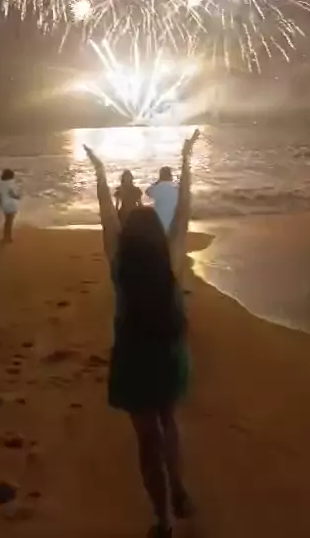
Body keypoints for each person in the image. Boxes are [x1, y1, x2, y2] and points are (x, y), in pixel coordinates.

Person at [84, 128, 200, 538]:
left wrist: (99, 171)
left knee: (146, 439)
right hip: (169, 351)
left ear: (129, 232)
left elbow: (106, 212)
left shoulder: (119, 260)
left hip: (133, 356)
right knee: (169, 422)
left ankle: (163, 520)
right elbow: (184, 206)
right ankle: (180, 489)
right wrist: (186, 158)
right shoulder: (172, 258)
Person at [145, 166, 179, 234]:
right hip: (174, 219)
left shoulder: (157, 188)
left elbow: (147, 192)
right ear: (170, 175)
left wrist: (157, 182)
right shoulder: (177, 188)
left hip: (159, 220)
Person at [0, 168, 20, 243]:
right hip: (11, 203)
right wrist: (18, 196)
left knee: (7, 221)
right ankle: (8, 237)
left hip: (5, 203)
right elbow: (11, 193)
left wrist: (1, 204)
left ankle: (5, 237)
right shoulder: (11, 182)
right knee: (10, 221)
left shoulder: (0, 184)